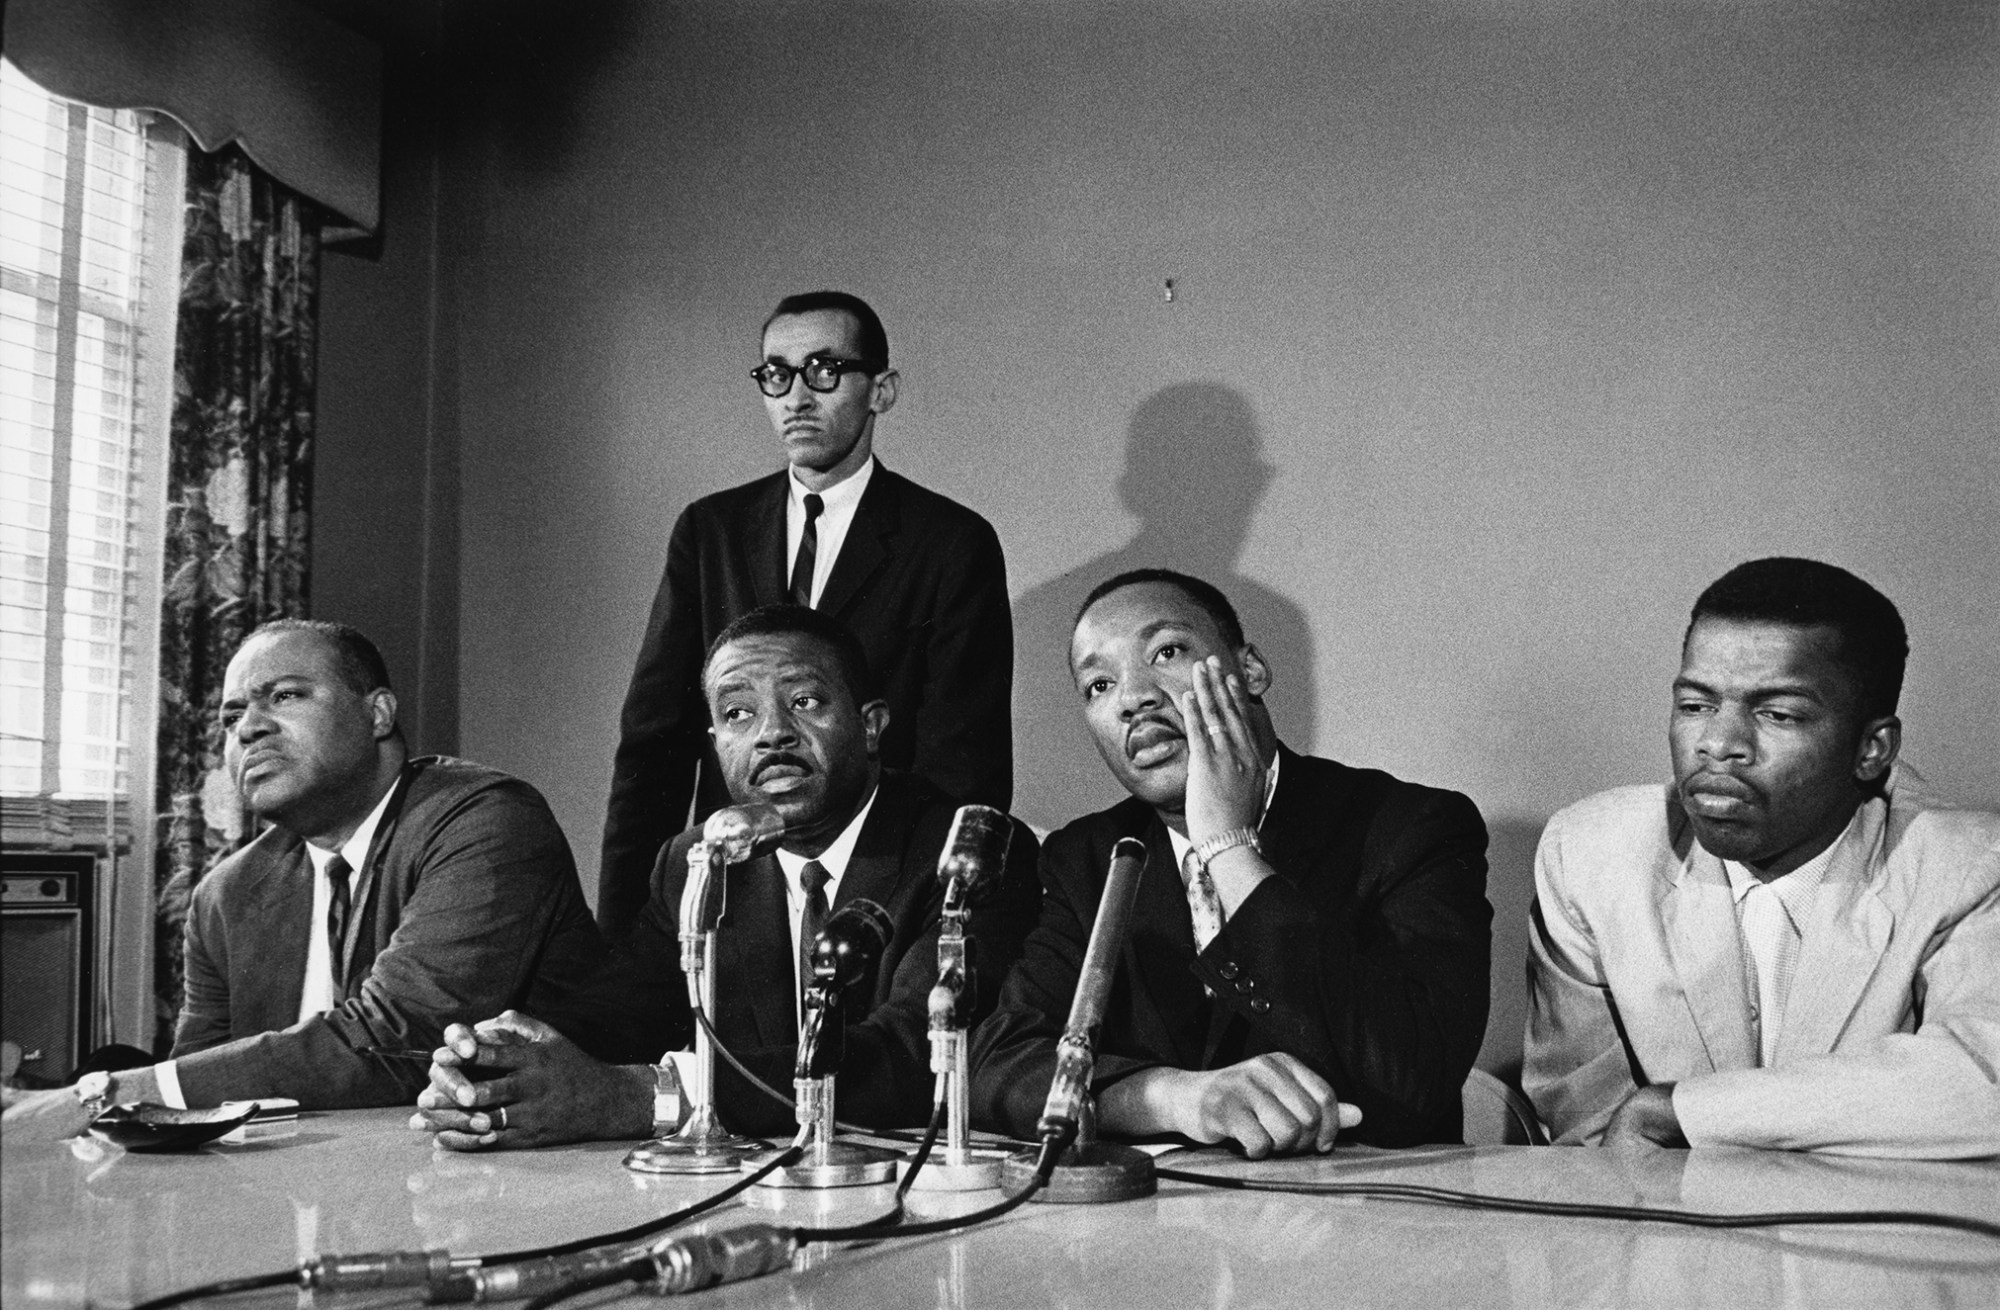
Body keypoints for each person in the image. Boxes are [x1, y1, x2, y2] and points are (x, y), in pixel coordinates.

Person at [416, 606, 1039, 1149]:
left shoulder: (967, 855)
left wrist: (650, 1097)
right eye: (738, 713)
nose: (772, 733)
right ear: (715, 743)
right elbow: (624, 1011)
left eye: (805, 701)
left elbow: (911, 1056)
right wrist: (504, 1061)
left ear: (871, 725)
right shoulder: (699, 859)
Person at [1, 620, 601, 1138]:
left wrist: (97, 1093)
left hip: (501, 1184)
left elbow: (399, 1040)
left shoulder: (487, 819)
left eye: (285, 696)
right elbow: (198, 1084)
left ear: (378, 713)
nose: (246, 729)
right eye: (232, 715)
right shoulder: (225, 895)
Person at [971, 570, 1492, 1156]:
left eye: (1166, 652)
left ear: (1249, 671)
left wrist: (1229, 848)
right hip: (1163, 1229)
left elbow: (1415, 1076)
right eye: (1098, 685)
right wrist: (1172, 1097)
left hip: (1372, 1213)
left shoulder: (1409, 826)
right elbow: (998, 1064)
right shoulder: (1086, 858)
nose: (1132, 698)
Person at [1524, 557, 2000, 1158]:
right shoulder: (1592, 854)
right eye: (1696, 705)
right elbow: (1593, 1132)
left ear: (1872, 749)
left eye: (1777, 714)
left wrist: (1686, 1110)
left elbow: (1983, 1082)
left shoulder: (1970, 866)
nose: (1718, 745)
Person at [598, 291, 1014, 936]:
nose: (796, 398)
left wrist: (922, 918)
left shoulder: (951, 542)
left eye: (824, 371)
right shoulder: (712, 530)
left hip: (885, 889)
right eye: (777, 374)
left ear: (881, 390)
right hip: (736, 885)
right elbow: (655, 742)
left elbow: (964, 764)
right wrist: (625, 929)